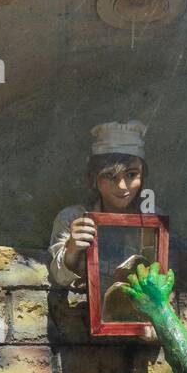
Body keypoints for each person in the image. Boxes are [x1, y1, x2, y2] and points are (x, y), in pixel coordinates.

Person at [47, 119, 150, 304]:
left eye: (131, 175)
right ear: (94, 178)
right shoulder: (72, 218)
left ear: (143, 177)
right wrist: (72, 249)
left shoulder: (153, 223)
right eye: (110, 176)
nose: (122, 186)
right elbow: (59, 278)